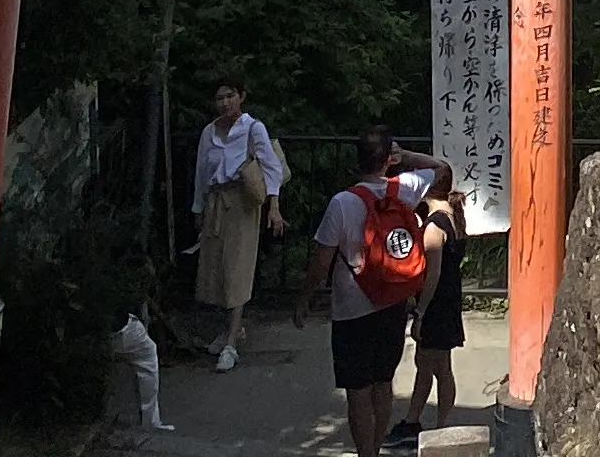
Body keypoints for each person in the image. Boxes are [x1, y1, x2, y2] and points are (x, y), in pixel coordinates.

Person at [297, 130, 450, 457]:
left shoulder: (342, 203)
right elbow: (441, 169)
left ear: (356, 161)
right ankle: (377, 449)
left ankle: (366, 452)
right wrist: (403, 154)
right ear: (387, 159)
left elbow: (321, 261)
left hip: (352, 308)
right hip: (393, 302)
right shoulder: (404, 189)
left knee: (357, 390)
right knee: (383, 385)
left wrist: (305, 300)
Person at [186, 80, 287, 371]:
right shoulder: (209, 131)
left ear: (241, 97)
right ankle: (231, 328)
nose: (225, 102)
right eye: (220, 97)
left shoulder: (253, 128)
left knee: (237, 268)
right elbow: (201, 172)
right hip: (216, 201)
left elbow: (272, 167)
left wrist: (274, 207)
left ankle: (231, 340)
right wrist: (198, 207)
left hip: (241, 203)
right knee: (215, 269)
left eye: (230, 96)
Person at [405, 171, 469, 444]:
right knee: (431, 364)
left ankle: (436, 425)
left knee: (436, 366)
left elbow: (432, 276)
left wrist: (419, 312)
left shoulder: (434, 227)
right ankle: (415, 420)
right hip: (449, 301)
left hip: (435, 305)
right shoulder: (453, 217)